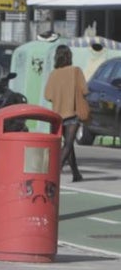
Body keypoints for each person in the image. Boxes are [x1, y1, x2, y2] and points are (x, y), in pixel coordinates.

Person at [44, 44, 89, 184]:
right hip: (72, 113)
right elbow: (85, 90)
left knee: (68, 146)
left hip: (57, 115)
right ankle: (55, 170)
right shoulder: (76, 71)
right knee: (68, 144)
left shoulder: (53, 74)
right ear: (69, 56)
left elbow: (47, 95)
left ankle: (76, 173)